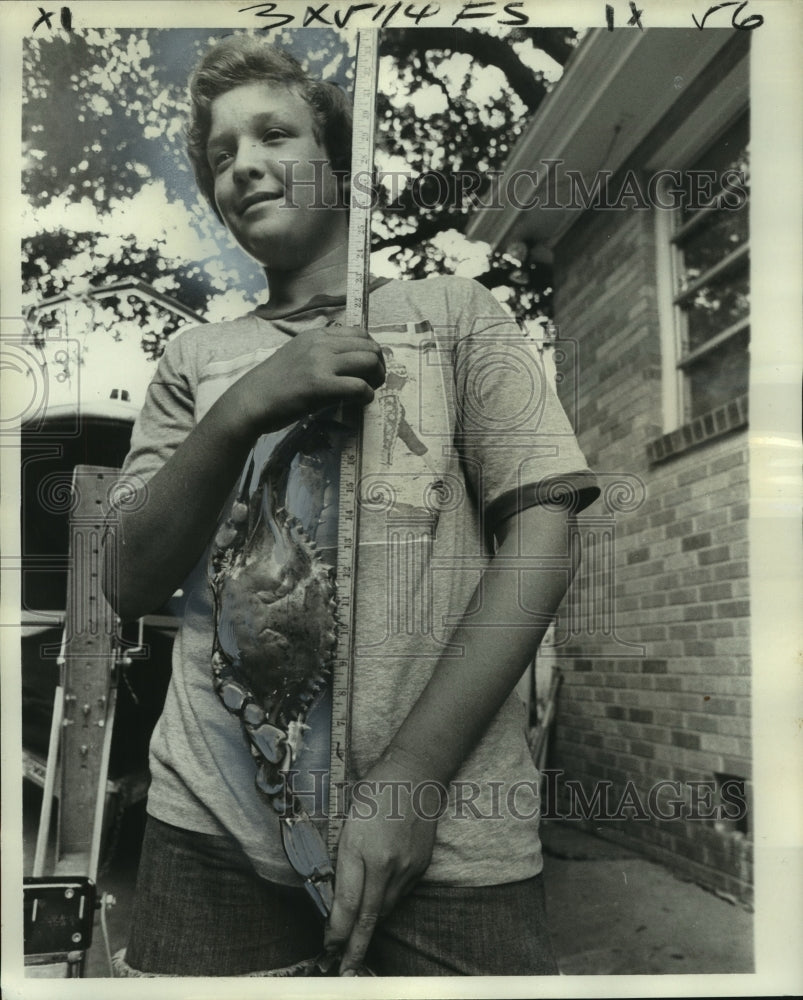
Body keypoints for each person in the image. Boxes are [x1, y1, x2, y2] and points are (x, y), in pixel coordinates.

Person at [105, 33, 599, 978]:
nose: (243, 164)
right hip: (211, 829)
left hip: (449, 832)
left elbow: (542, 531)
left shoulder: (452, 316)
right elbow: (125, 577)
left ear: (338, 164)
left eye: (273, 135)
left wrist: (412, 779)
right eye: (220, 154)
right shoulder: (191, 361)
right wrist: (243, 407)